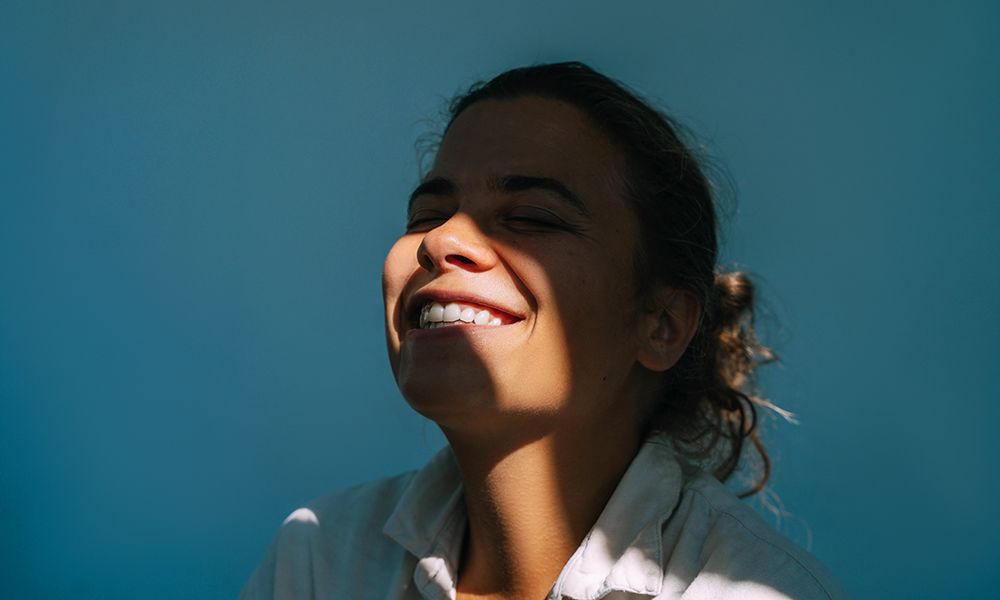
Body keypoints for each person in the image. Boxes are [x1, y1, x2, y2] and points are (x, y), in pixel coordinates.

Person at [240, 62, 846, 600]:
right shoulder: (317, 560)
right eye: (427, 214)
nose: (442, 240)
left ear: (660, 325)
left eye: (530, 217)